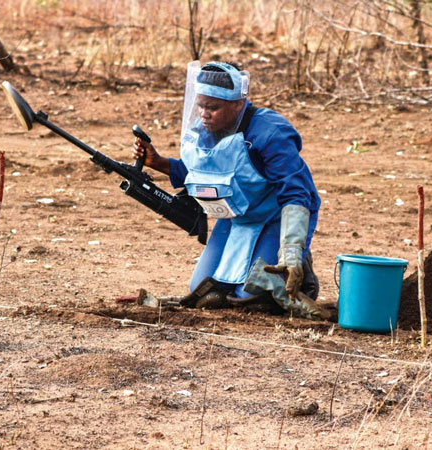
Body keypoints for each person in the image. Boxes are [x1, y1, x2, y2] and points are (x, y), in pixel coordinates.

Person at [133, 61, 325, 319]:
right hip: (235, 217)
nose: (204, 114)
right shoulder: (205, 130)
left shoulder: (271, 131)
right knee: (205, 292)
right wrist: (158, 163)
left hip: (275, 217)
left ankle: (302, 272)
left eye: (212, 107)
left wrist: (291, 251)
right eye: (200, 105)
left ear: (238, 103)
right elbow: (203, 173)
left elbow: (296, 194)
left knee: (251, 295)